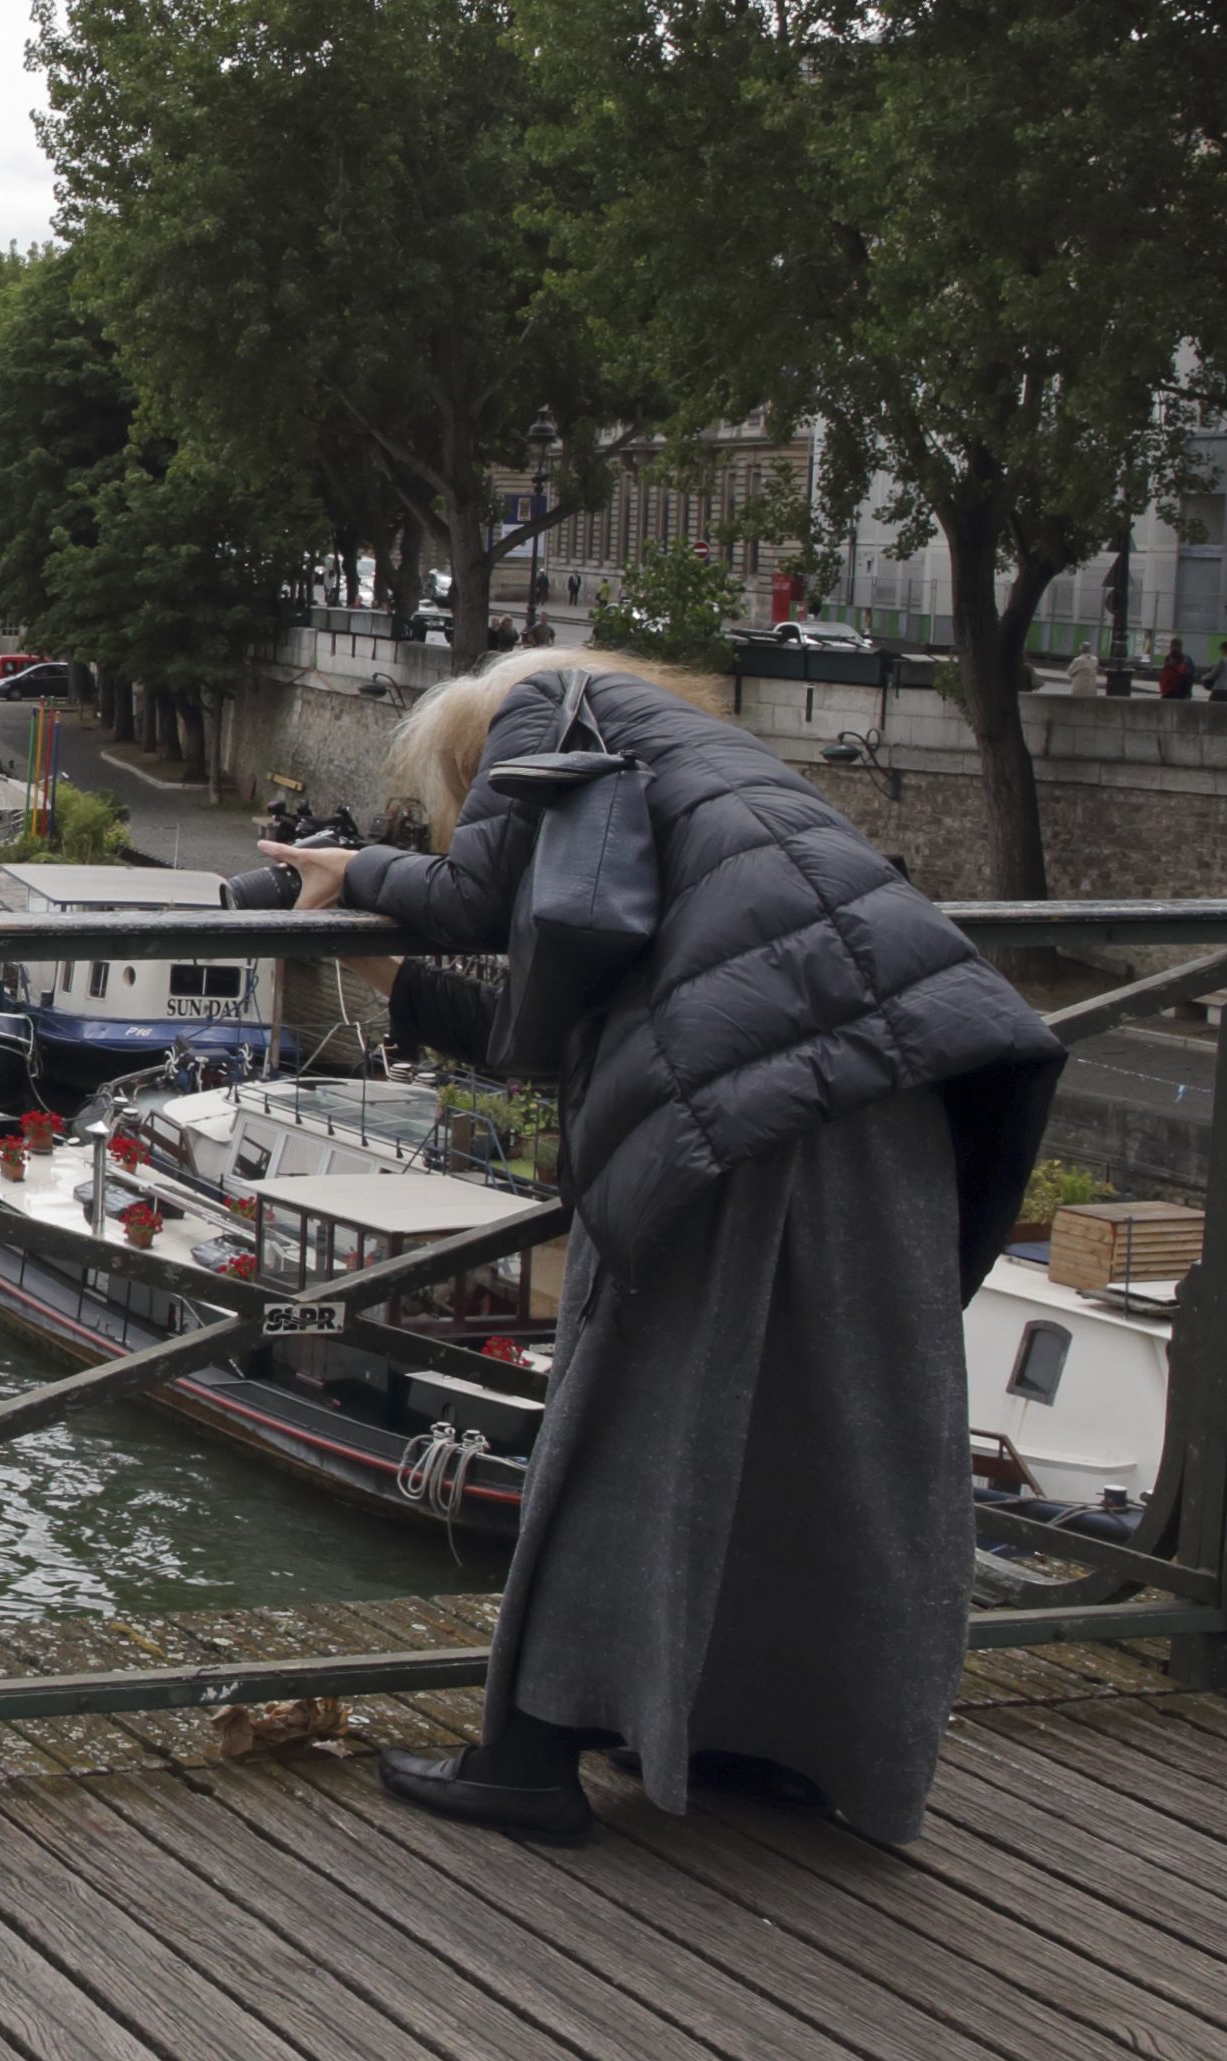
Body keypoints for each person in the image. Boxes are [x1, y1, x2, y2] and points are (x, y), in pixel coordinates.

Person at [257, 646, 1061, 1849]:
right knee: (824, 1424)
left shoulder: (541, 700)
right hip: (898, 1093)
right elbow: (577, 1035)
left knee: (625, 1411)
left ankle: (526, 1758)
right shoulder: (697, 792)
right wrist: (388, 975)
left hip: (760, 1110)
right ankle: (770, 1737)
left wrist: (345, 870)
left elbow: (472, 898)